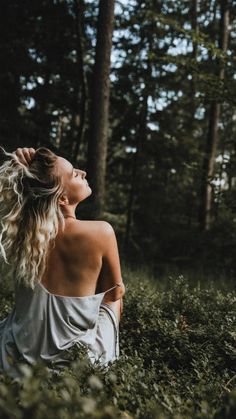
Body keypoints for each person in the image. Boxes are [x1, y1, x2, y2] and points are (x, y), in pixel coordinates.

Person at [0, 146, 125, 377]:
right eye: (74, 174)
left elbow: (20, 190)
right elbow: (113, 295)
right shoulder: (101, 232)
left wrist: (20, 161)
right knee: (115, 295)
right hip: (77, 366)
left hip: (15, 360)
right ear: (62, 198)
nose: (83, 172)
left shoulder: (23, 234)